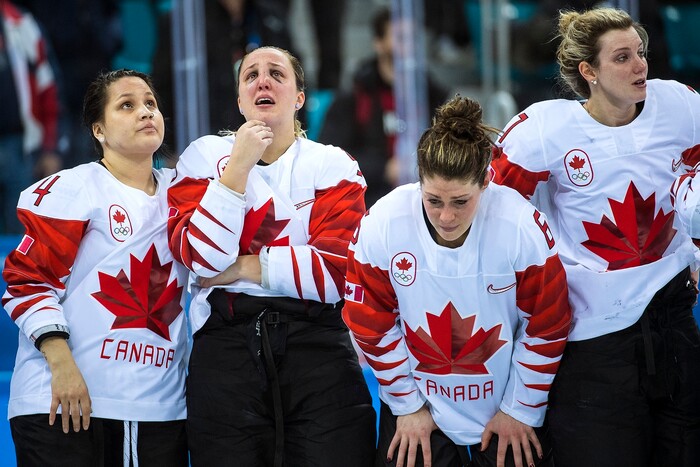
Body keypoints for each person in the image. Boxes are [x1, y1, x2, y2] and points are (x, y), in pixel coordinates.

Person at [490, 7, 700, 466]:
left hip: (673, 324)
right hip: (594, 343)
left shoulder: (681, 106)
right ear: (589, 72)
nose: (640, 65)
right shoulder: (545, 131)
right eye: (622, 57)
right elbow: (493, 216)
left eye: (641, 53)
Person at [167, 45, 376, 466]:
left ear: (299, 98)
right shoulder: (205, 156)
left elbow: (337, 274)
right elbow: (203, 260)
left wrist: (245, 266)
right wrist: (238, 167)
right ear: (240, 100)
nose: (263, 80)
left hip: (318, 347)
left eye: (276, 73)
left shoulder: (332, 163)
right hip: (226, 351)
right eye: (251, 76)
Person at [343, 95, 572, 467]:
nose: (446, 217)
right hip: (417, 409)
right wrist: (406, 404)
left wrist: (520, 409)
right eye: (433, 200)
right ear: (418, 181)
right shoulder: (382, 224)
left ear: (485, 182)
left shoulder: (519, 225)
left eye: (460, 202)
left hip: (506, 406)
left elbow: (547, 325)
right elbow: (369, 322)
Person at [2, 69, 189, 466]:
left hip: (157, 409)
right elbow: (27, 281)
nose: (145, 112)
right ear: (98, 130)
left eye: (151, 104)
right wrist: (62, 367)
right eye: (127, 105)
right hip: (63, 402)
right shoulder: (76, 188)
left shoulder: (184, 194)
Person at [319, 6, 448, 208]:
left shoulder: (433, 95)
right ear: (378, 43)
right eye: (400, 37)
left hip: (428, 198)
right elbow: (330, 156)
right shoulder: (354, 96)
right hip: (369, 199)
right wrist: (384, 169)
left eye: (413, 38)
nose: (409, 45)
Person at [0, 0, 62, 234]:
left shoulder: (20, 23)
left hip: (20, 147)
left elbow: (49, 91)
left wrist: (50, 149)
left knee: (23, 241)